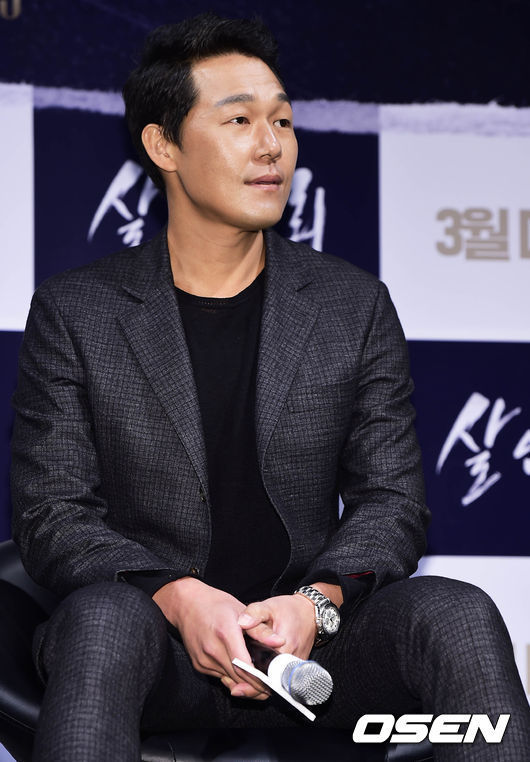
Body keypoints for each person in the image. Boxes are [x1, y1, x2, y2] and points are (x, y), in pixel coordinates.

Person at [10, 12, 530, 761]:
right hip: (153, 641)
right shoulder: (77, 311)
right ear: (163, 145)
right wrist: (178, 597)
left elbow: (391, 503)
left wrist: (315, 605)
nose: (271, 145)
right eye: (239, 120)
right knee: (103, 622)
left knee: (457, 613)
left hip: (313, 650)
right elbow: (52, 514)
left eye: (282, 120)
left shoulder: (352, 306)